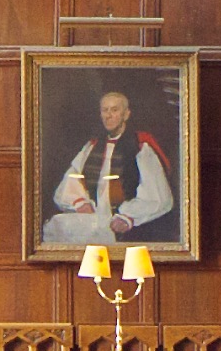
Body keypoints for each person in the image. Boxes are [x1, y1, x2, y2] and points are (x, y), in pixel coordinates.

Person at [42, 83, 179, 246]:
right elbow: (71, 179)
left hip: (126, 224)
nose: (108, 115)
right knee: (58, 227)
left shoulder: (140, 147)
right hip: (95, 219)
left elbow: (159, 196)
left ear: (126, 114)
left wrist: (128, 216)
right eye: (104, 110)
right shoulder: (93, 146)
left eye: (114, 110)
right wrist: (80, 202)